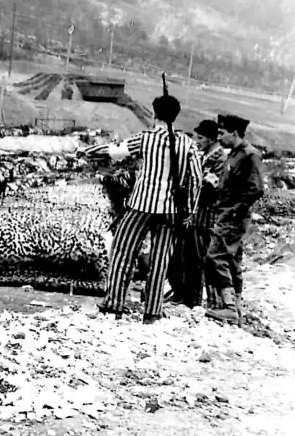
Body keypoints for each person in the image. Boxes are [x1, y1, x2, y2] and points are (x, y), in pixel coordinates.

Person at [79, 91, 202, 324]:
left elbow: (114, 150)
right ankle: (153, 311)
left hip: (140, 206)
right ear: (175, 116)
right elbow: (196, 179)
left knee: (123, 252)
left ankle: (114, 304)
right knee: (160, 259)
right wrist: (189, 211)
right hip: (171, 211)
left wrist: (87, 151)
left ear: (154, 113)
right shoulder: (188, 144)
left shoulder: (146, 138)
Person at [203, 113, 264, 325]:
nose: (219, 137)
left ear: (234, 133)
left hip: (233, 216)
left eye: (222, 133)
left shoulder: (249, 155)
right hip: (226, 213)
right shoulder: (236, 154)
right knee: (232, 259)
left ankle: (229, 307)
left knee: (215, 256)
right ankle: (235, 307)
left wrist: (234, 210)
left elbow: (256, 188)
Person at [167, 119, 226, 308]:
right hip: (193, 215)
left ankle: (193, 300)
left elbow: (210, 188)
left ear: (211, 139)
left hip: (205, 216)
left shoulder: (219, 160)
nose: (197, 141)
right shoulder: (205, 157)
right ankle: (183, 295)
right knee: (185, 256)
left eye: (200, 138)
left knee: (196, 259)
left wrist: (191, 185)